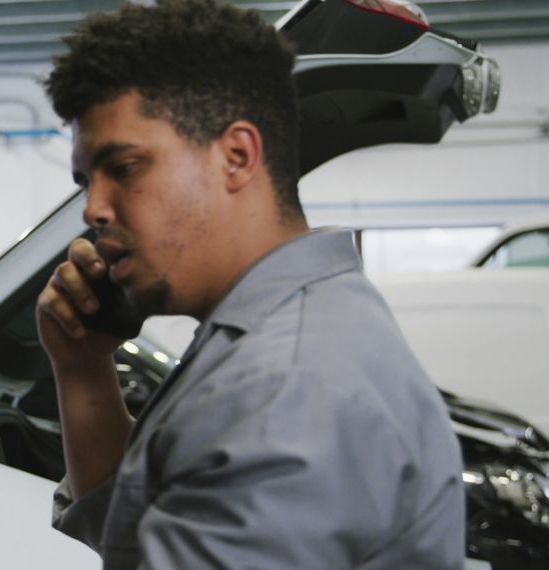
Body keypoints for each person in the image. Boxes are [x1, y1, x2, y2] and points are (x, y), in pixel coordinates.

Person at [34, 0, 465, 568]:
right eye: (87, 179)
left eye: (124, 168)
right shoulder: (295, 323)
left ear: (236, 156)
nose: (93, 208)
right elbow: (139, 532)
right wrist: (83, 367)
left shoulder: (279, 394)